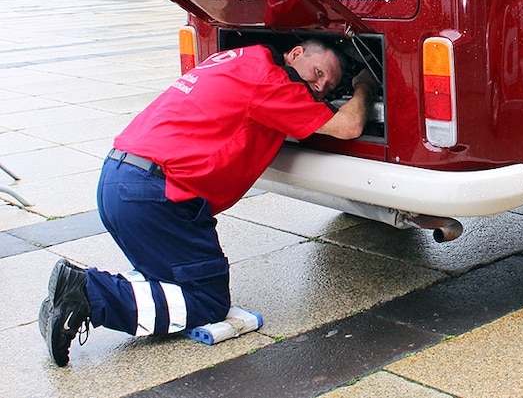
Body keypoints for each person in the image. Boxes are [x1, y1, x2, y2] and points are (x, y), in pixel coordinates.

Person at [39, 39, 377, 367]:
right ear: (296, 53)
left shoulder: (242, 57)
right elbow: (349, 126)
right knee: (207, 302)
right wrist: (364, 85)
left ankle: (73, 295)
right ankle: (86, 292)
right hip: (158, 197)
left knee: (169, 287)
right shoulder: (275, 83)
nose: (318, 87)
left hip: (119, 178)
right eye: (318, 72)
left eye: (327, 87)